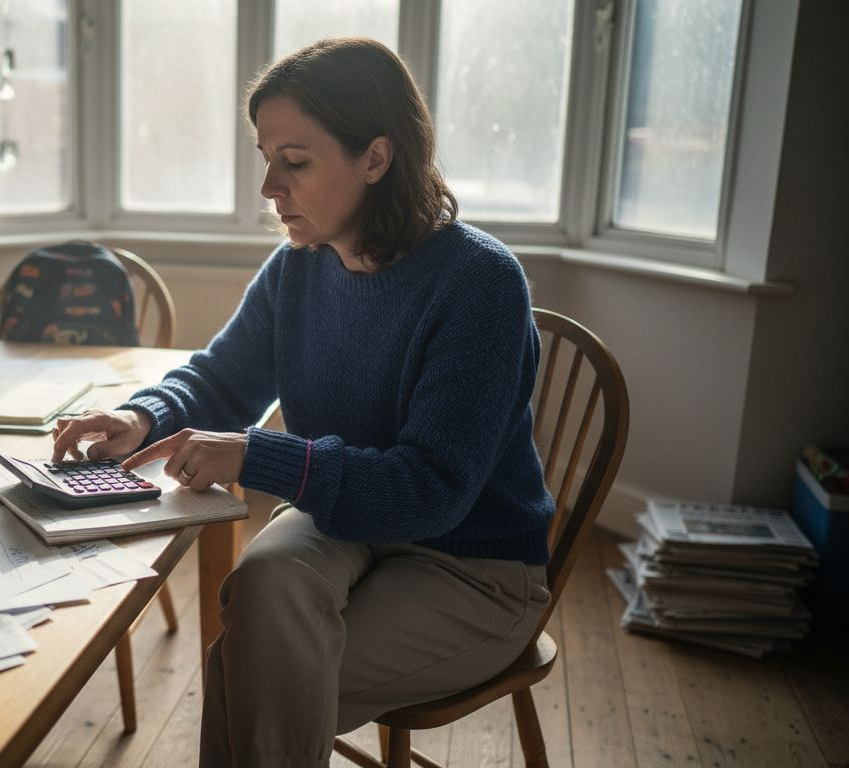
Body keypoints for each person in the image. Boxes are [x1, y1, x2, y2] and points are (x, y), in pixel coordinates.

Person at [51, 36, 554, 768]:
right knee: (262, 583)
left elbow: (432, 489)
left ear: (376, 159)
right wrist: (142, 417)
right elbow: (221, 379)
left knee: (248, 668)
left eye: (295, 161)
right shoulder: (298, 268)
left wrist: (258, 453)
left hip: (472, 564)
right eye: (265, 158)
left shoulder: (480, 282)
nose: (269, 188)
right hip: (345, 523)